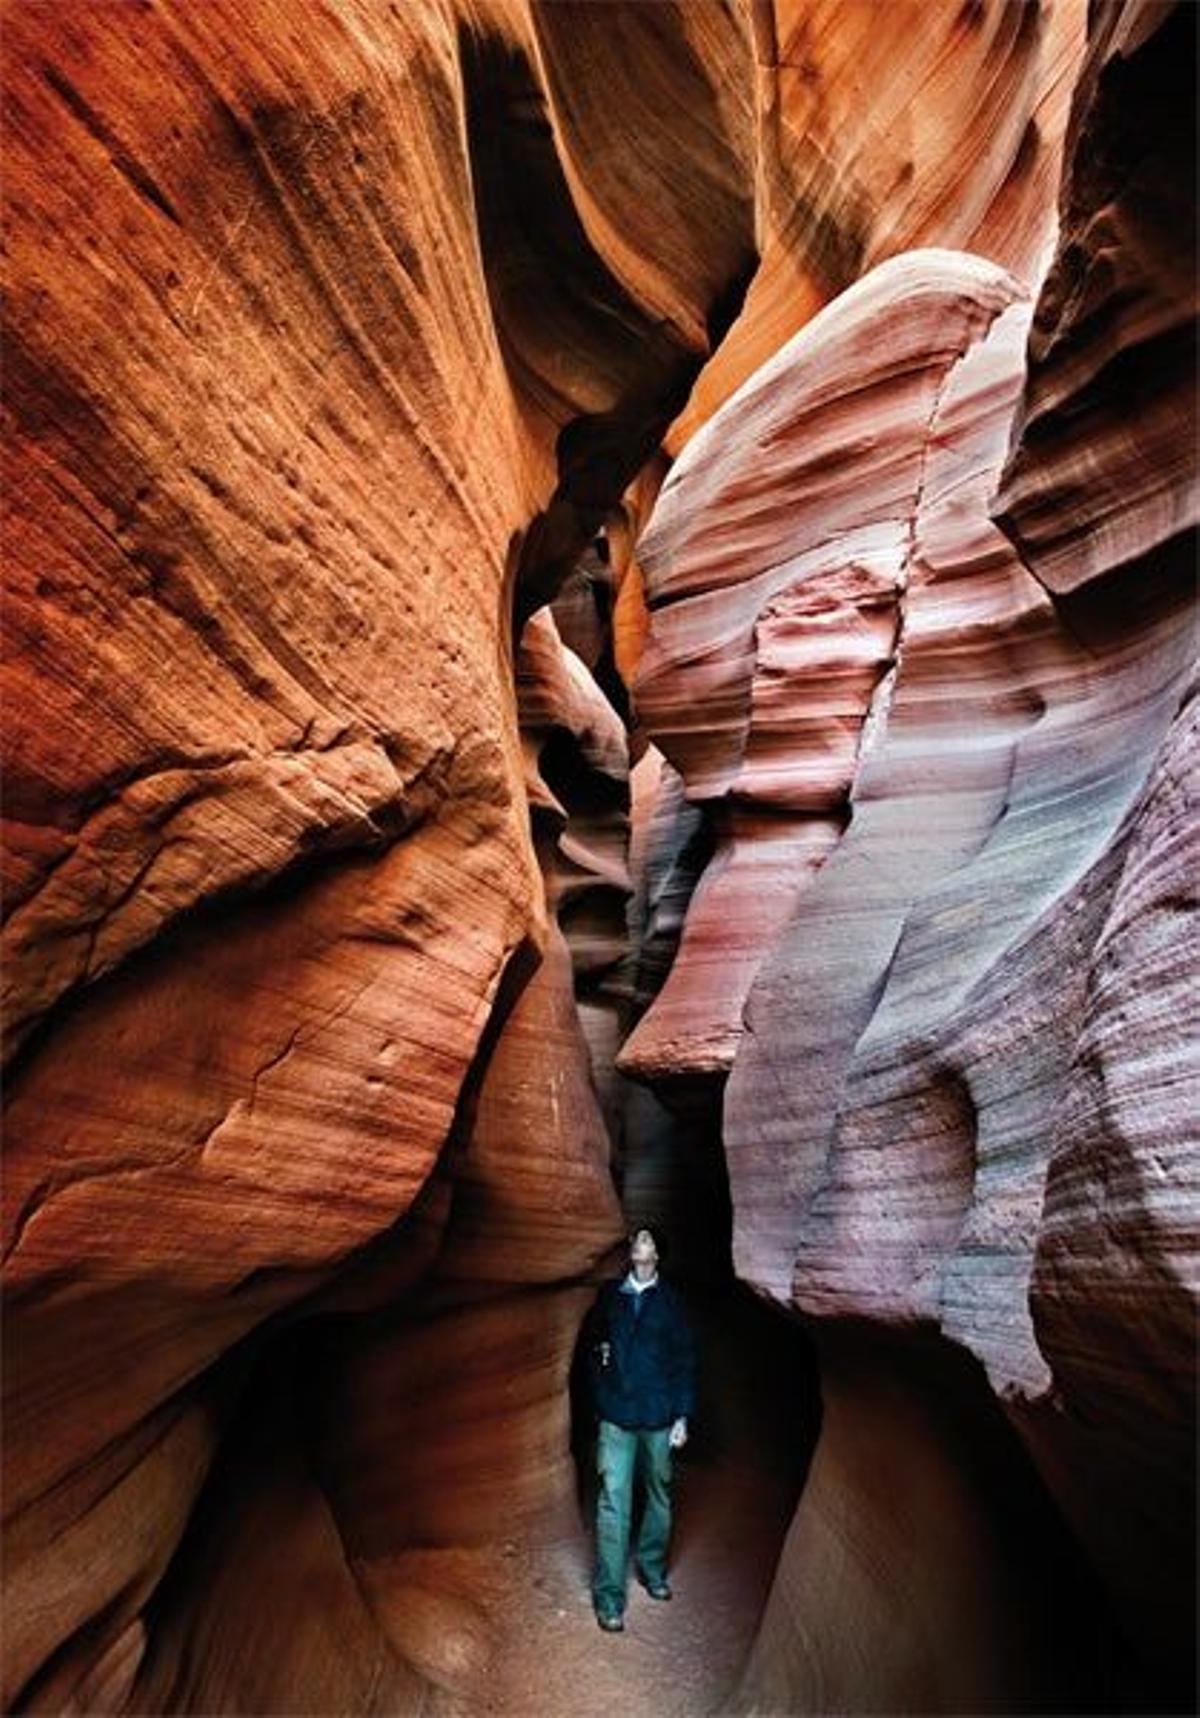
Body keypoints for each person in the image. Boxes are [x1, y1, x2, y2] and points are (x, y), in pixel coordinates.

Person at [583, 1225, 697, 1631]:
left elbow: (684, 1360)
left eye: (647, 1240)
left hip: (659, 1416)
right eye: (636, 1240)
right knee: (613, 1502)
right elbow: (594, 1348)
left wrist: (682, 1416)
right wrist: (601, 1394)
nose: (639, 1245)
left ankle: (652, 1569)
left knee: (659, 1494)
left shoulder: (672, 1302)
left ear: (657, 1255)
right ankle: (610, 1597)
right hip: (616, 1415)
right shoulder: (610, 1297)